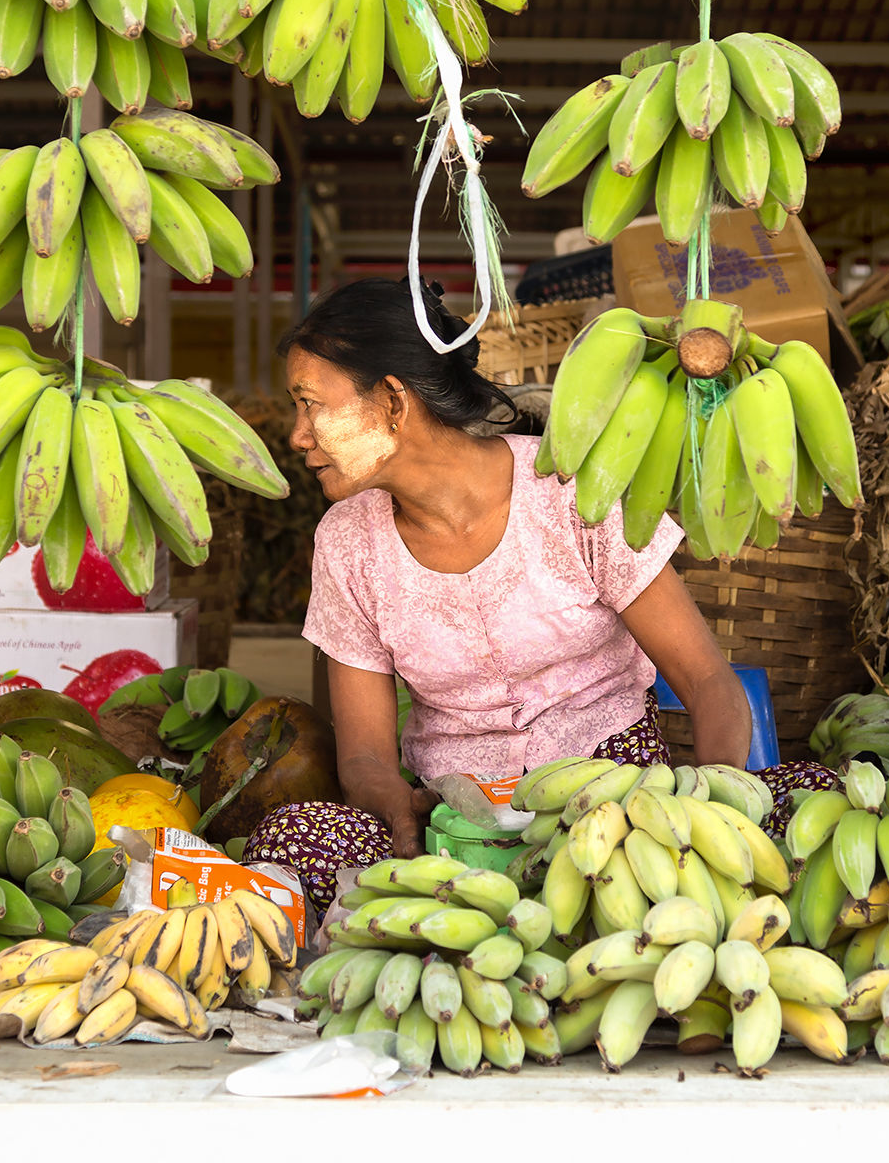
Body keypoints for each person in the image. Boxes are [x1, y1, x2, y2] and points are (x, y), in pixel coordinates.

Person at [241, 279, 831, 909]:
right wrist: (398, 812)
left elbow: (710, 683)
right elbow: (363, 754)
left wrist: (705, 823)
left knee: (819, 804)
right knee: (292, 843)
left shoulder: (572, 492)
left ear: (391, 401)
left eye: (310, 404)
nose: (298, 435)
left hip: (617, 806)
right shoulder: (346, 542)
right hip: (456, 823)